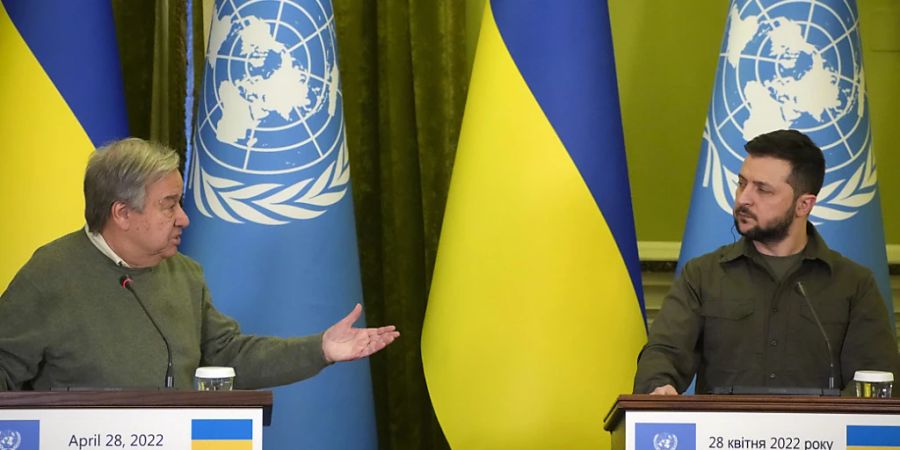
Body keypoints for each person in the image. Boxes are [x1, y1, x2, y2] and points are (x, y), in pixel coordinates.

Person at [0, 138, 399, 391]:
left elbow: (228, 357)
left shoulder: (185, 275)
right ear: (122, 213)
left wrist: (321, 349)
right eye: (168, 205)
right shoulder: (50, 274)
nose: (184, 218)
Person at [633, 129, 900, 395]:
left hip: (817, 437)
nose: (744, 198)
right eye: (741, 183)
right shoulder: (703, 275)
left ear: (803, 205)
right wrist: (658, 386)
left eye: (763, 190)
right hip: (722, 436)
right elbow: (665, 351)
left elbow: (876, 378)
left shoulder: (853, 284)